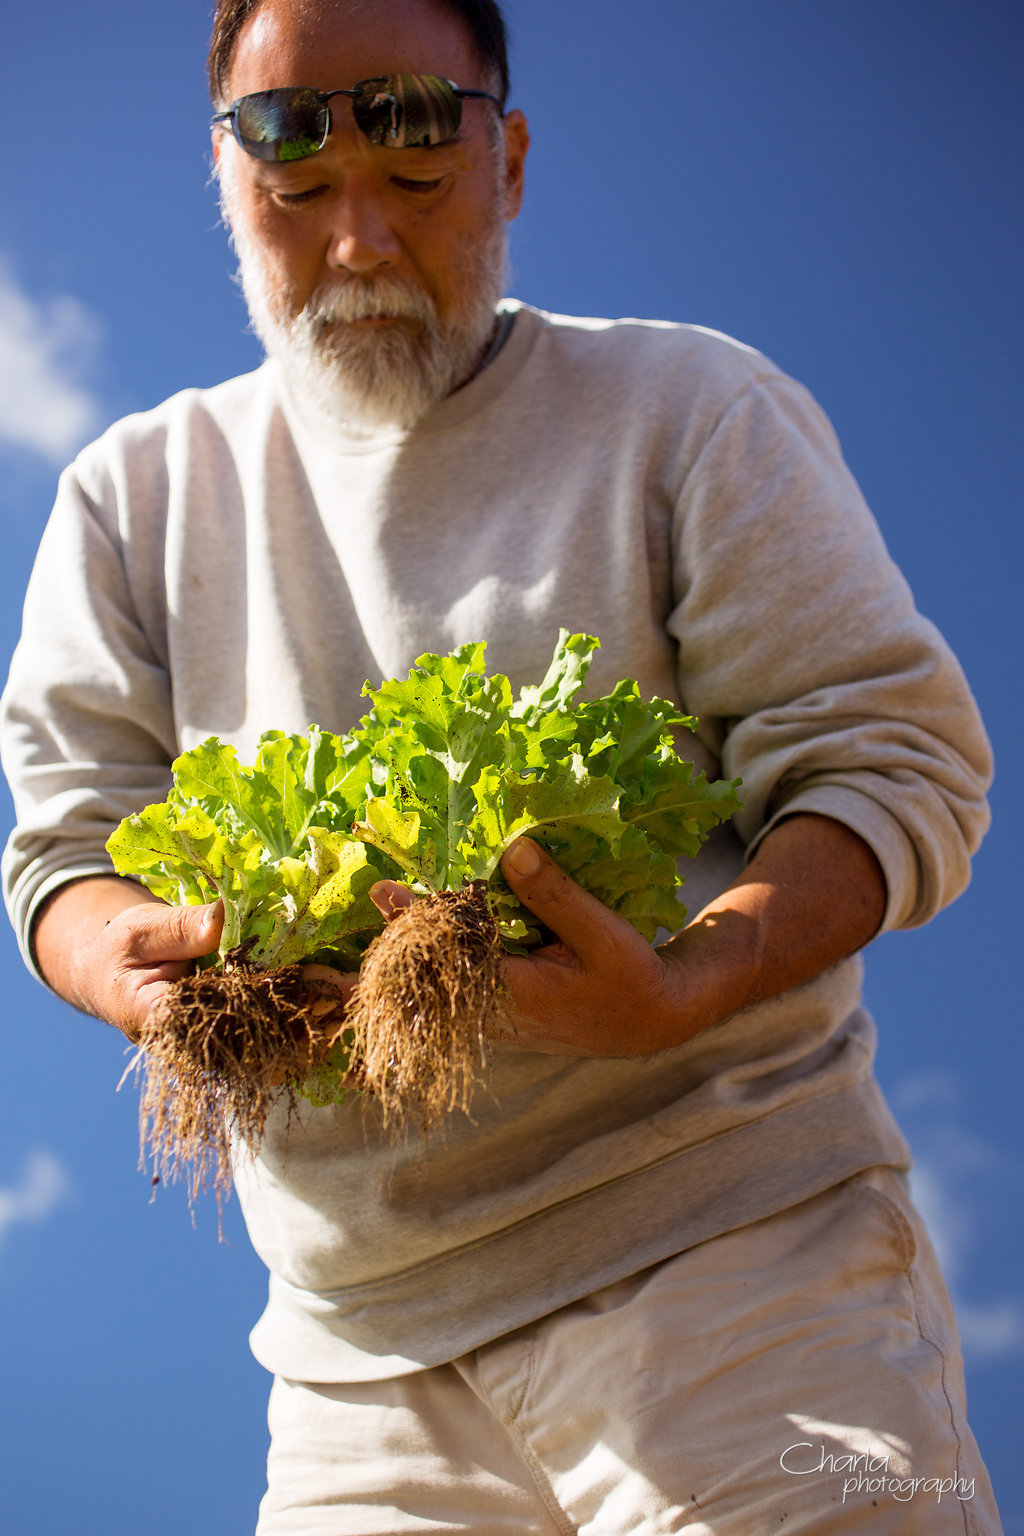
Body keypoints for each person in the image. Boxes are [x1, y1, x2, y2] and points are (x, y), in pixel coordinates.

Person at [0, 0, 1004, 1530]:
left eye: (416, 187)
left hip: (738, 1278)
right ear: (225, 185)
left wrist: (692, 980)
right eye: (295, 196)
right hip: (356, 1367)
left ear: (510, 161)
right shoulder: (132, 498)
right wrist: (125, 965)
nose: (355, 247)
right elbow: (64, 850)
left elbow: (889, 759)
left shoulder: (685, 414)